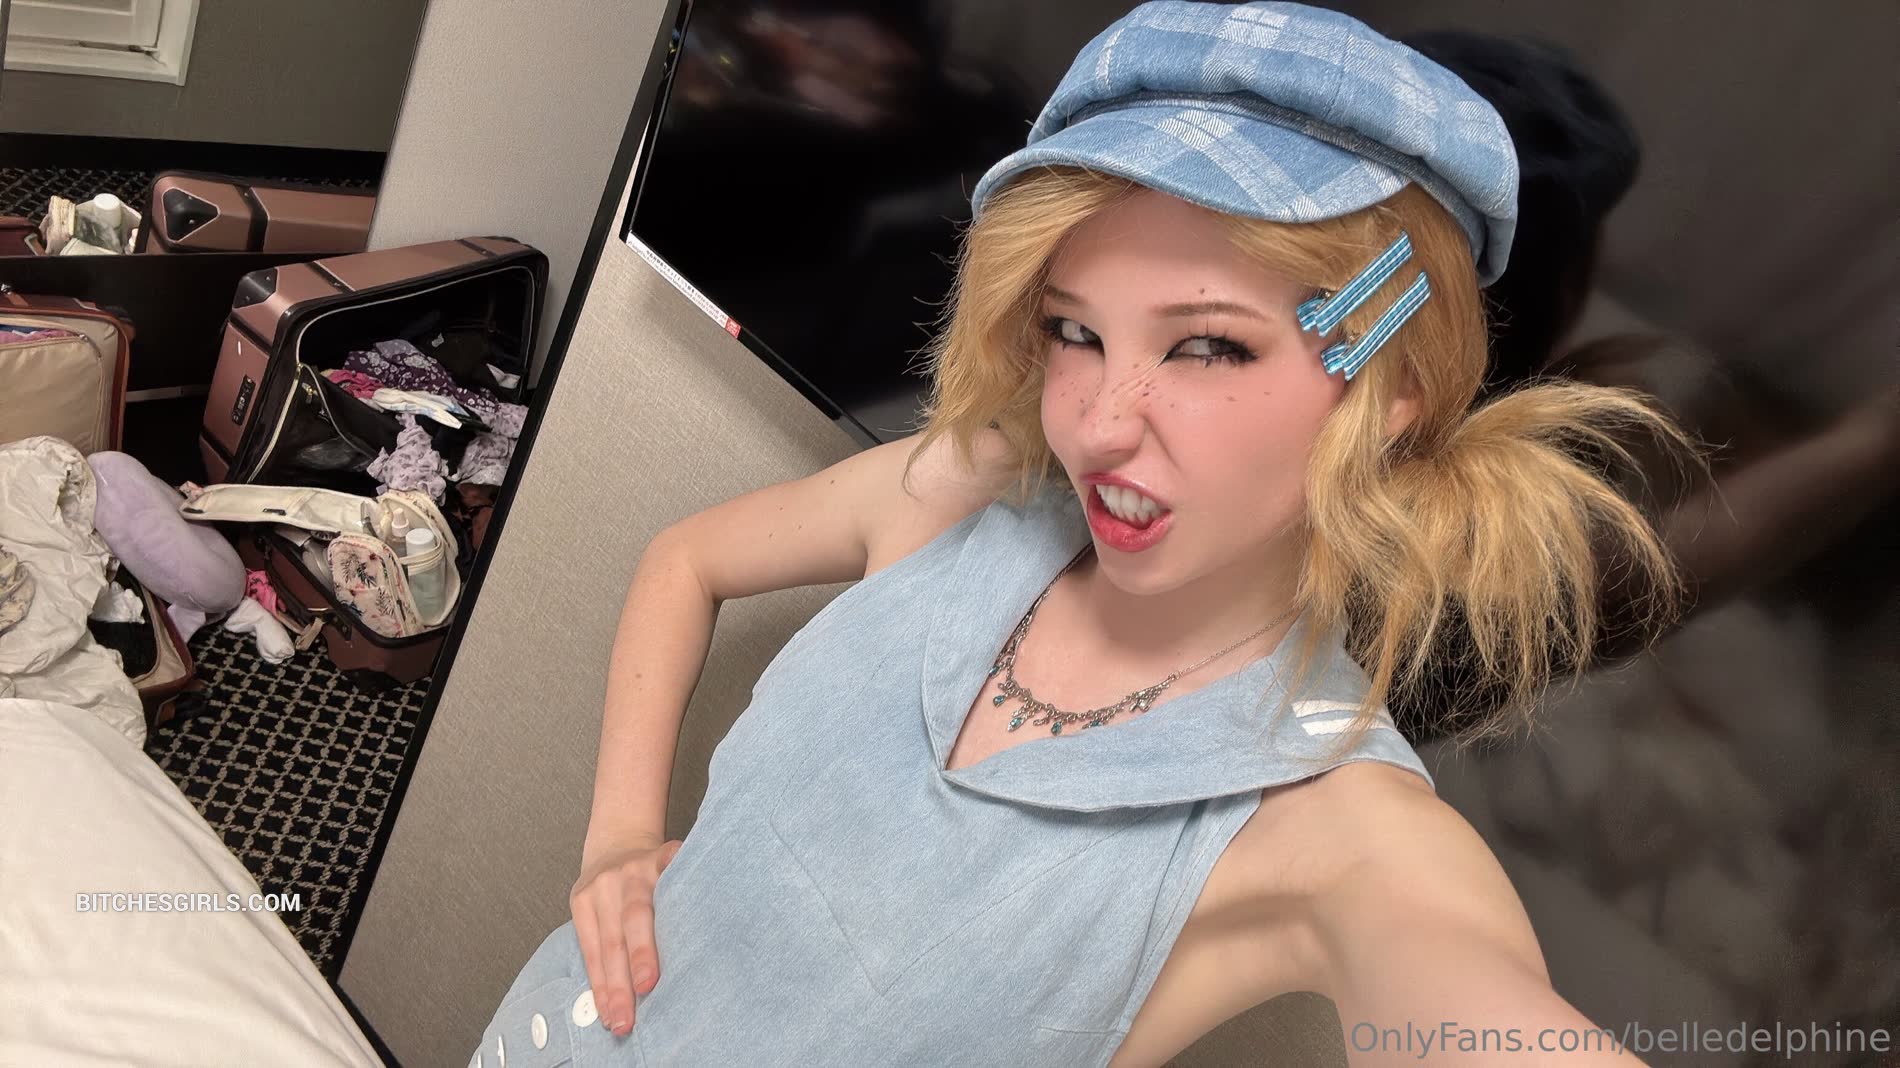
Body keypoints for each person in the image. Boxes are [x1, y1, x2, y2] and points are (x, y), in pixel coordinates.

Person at [473, 3, 1691, 1065]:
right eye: (1074, 332)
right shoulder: (966, 494)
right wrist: (618, 841)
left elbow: (1454, 980)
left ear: (1392, 382)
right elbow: (684, 560)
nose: (1100, 425)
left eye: (1206, 345)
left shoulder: (1328, 827)